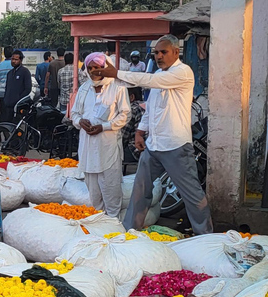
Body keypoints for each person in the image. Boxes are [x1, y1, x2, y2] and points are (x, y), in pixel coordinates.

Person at [91, 34, 213, 235]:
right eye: (156, 52)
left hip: (175, 146)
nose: (159, 56)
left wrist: (117, 73)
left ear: (176, 52)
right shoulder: (159, 76)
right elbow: (151, 108)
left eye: (163, 52)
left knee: (192, 195)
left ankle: (206, 237)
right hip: (154, 145)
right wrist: (140, 131)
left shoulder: (182, 72)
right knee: (140, 191)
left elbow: (148, 80)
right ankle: (130, 231)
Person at [70, 53, 130, 218]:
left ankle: (113, 229)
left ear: (105, 67)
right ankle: (100, 229)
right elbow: (74, 113)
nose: (94, 71)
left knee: (111, 193)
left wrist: (103, 127)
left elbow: (125, 115)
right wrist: (80, 121)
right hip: (88, 149)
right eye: (90, 68)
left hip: (108, 148)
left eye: (97, 67)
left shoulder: (117, 87)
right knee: (95, 198)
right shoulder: (84, 89)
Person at [2, 50, 32, 121]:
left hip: (18, 106)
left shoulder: (25, 72)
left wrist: (19, 100)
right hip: (8, 105)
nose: (13, 61)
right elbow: (7, 88)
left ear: (20, 60)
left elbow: (28, 89)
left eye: (16, 59)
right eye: (12, 59)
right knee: (7, 126)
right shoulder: (10, 73)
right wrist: (5, 100)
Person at [0, 47, 14, 119]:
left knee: (4, 113)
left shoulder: (0, 66)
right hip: (12, 93)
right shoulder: (14, 66)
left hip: (2, 93)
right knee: (12, 114)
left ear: (4, 54)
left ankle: (4, 128)